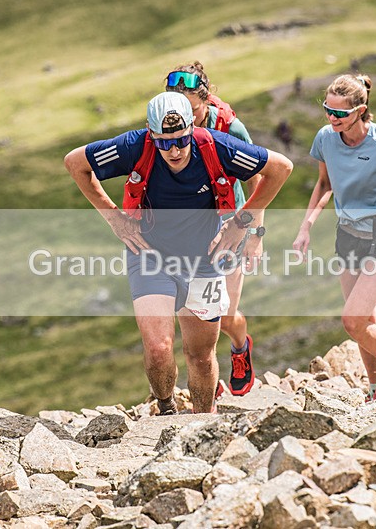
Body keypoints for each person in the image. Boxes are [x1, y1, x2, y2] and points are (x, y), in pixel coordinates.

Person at [64, 92, 292, 414]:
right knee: (158, 349)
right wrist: (112, 216)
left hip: (205, 260)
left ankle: (203, 424)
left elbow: (280, 168)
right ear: (150, 132)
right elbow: (75, 163)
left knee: (199, 355)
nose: (173, 150)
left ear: (192, 128)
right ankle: (167, 408)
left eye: (181, 140)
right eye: (163, 142)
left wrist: (243, 221)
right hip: (150, 255)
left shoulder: (215, 146)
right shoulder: (134, 146)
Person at [293, 74, 376, 401]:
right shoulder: (325, 138)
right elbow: (324, 184)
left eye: (339, 114)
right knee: (366, 319)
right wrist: (306, 226)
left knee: (353, 320)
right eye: (327, 111)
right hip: (347, 237)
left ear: (360, 110)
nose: (331, 118)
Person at [165, 61, 262, 396]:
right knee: (193, 313)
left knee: (224, 314)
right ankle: (207, 377)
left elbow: (258, 180)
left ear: (206, 101)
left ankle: (239, 347)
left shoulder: (229, 127)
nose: (185, 120)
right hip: (186, 230)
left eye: (192, 110)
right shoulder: (165, 123)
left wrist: (254, 235)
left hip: (229, 225)